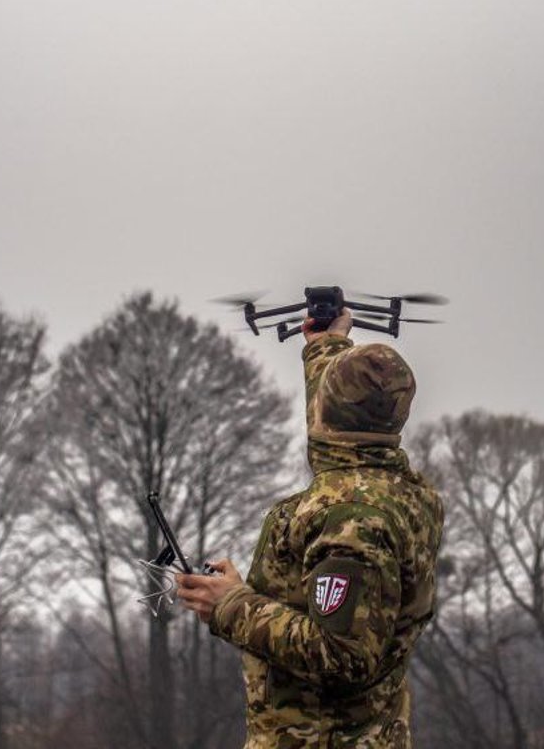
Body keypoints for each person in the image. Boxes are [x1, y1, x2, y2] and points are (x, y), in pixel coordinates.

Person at [176, 307, 445, 749]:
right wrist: (325, 346)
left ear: (332, 413)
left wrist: (231, 606)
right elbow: (336, 436)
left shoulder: (350, 519)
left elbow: (343, 656)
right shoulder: (405, 492)